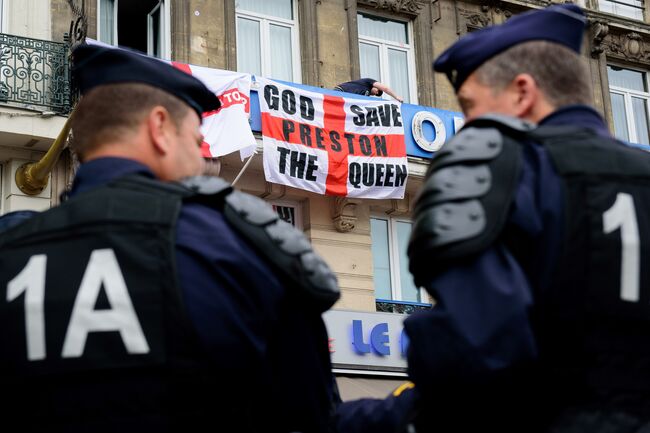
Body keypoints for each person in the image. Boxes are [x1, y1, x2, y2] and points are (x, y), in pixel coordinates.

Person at [0, 44, 340, 433]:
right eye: (197, 142)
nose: (202, 161)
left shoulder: (11, 253)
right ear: (160, 128)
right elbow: (311, 415)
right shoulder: (241, 248)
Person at [405, 4, 650, 433]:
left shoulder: (509, 172)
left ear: (522, 92)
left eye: (470, 106)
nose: (467, 124)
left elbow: (470, 356)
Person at [334, 78, 404, 103]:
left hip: (346, 98)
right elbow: (385, 88)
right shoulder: (368, 82)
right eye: (378, 90)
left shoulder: (366, 95)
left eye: (377, 94)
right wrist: (396, 96)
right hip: (341, 91)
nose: (376, 93)